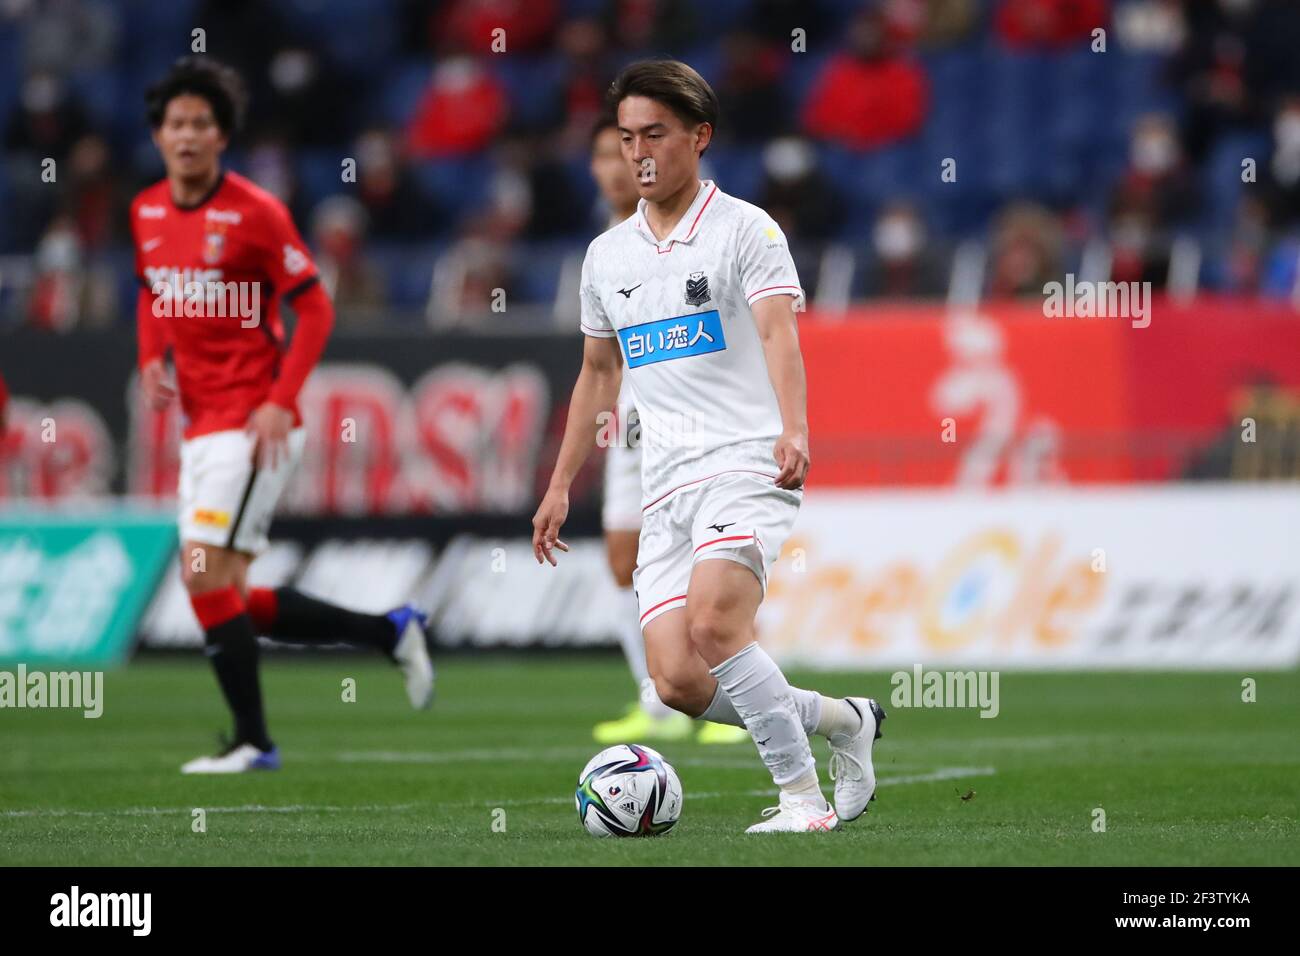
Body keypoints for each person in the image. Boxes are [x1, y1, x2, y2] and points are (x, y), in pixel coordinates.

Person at [533, 60, 885, 833]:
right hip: (664, 483)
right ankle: (843, 721)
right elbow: (597, 374)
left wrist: (795, 428)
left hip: (745, 461)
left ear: (699, 136)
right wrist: (560, 484)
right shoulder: (607, 257)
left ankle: (801, 800)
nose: (638, 153)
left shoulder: (746, 229)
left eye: (654, 134)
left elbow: (777, 334)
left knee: (718, 627)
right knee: (679, 683)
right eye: (626, 138)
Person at [132, 57, 434, 774]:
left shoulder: (256, 213)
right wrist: (151, 358)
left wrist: (278, 400)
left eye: (201, 123)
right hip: (201, 426)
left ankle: (253, 743)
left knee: (202, 575)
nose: (187, 136)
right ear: (157, 135)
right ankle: (389, 632)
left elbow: (316, 304)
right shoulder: (145, 210)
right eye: (176, 123)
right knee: (228, 591)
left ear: (222, 136)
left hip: (253, 424)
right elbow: (150, 291)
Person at [585, 111, 748, 747]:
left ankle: (727, 693)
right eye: (605, 154)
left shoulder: (702, 226)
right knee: (626, 562)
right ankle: (657, 698)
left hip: (690, 420)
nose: (616, 166)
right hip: (627, 422)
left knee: (709, 561)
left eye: (625, 149)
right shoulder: (608, 243)